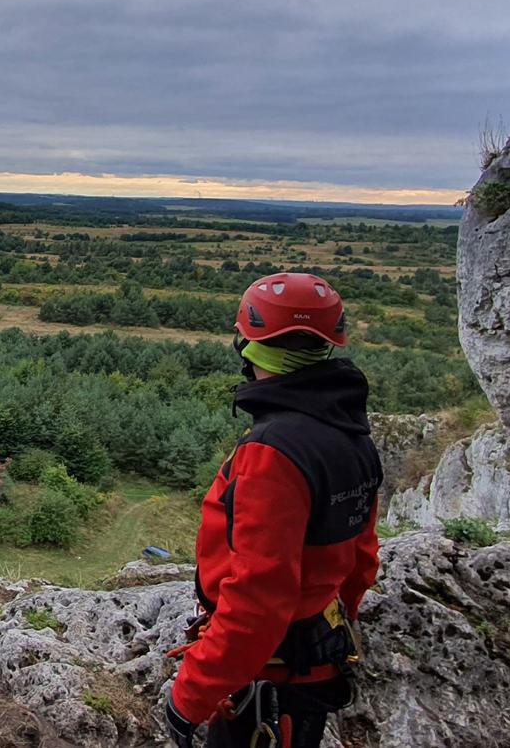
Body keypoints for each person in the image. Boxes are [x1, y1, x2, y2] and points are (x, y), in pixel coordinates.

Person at [163, 273, 383, 748]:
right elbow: (361, 559)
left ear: (246, 344)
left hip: (266, 680)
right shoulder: (350, 434)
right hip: (313, 664)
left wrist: (189, 697)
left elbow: (258, 598)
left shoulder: (273, 452)